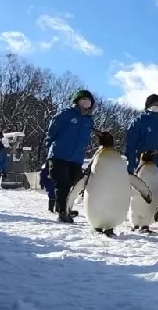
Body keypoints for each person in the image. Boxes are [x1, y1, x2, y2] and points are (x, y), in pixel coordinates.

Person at [125, 94, 158, 226]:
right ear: (147, 105)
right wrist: (131, 165)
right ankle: (140, 219)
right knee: (142, 194)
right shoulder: (138, 122)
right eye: (155, 104)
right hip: (144, 165)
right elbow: (131, 146)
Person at [45, 89, 95, 223]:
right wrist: (49, 150)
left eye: (88, 101)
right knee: (62, 184)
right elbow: (52, 132)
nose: (86, 103)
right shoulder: (65, 114)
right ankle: (63, 212)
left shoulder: (89, 121)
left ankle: (64, 207)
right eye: (83, 100)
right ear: (76, 101)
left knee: (74, 182)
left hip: (76, 158)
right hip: (59, 155)